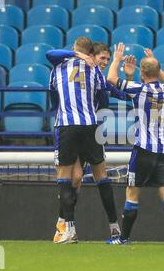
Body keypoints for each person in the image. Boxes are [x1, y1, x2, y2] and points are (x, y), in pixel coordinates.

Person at [105, 43, 164, 245]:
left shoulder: (140, 89)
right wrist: (154, 63)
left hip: (144, 149)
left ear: (142, 73)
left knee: (132, 192)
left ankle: (124, 238)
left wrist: (117, 59)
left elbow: (111, 79)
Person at [48, 37, 120, 244]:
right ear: (91, 54)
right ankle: (114, 228)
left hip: (67, 125)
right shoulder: (95, 70)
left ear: (73, 48)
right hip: (90, 125)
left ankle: (67, 228)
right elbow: (104, 98)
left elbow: (54, 98)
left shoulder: (57, 68)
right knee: (91, 176)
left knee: (65, 176)